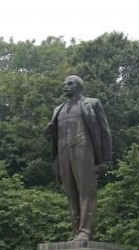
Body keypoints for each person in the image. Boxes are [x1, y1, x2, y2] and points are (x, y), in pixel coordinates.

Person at [44, 75, 112, 241]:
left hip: (83, 146)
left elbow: (105, 131)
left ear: (79, 86)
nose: (65, 86)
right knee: (70, 193)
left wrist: (105, 160)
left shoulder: (92, 103)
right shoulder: (57, 109)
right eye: (64, 84)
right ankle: (76, 231)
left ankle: (85, 231)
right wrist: (48, 132)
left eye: (69, 83)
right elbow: (53, 136)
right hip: (63, 151)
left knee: (86, 191)